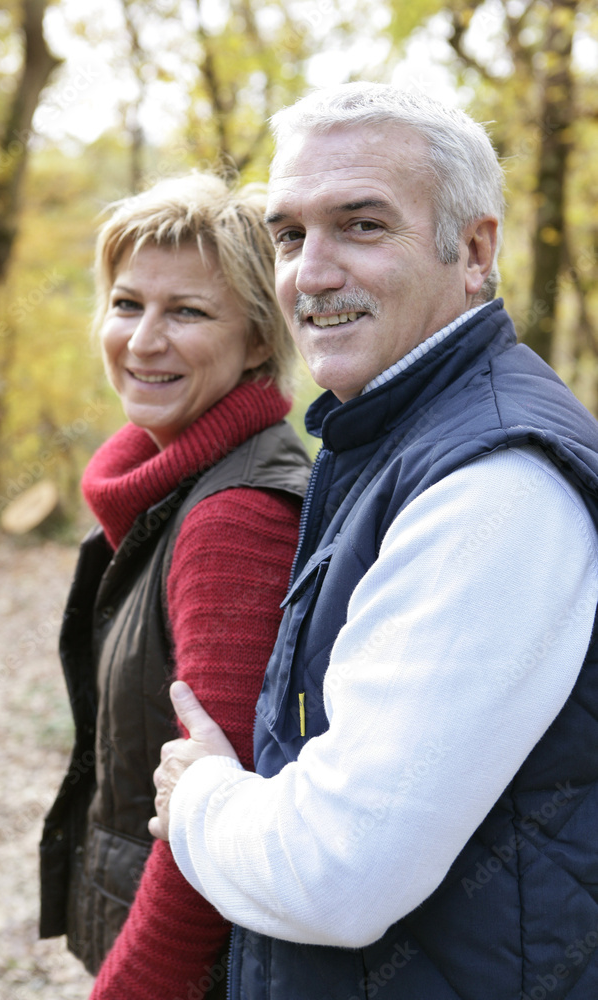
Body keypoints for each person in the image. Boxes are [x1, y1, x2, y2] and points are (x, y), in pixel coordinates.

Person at [150, 84, 598, 999]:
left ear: (473, 252)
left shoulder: (493, 486)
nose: (309, 274)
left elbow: (336, 874)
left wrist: (198, 798)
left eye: (359, 225)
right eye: (287, 235)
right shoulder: (394, 435)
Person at [38, 172, 311, 997]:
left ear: (259, 339)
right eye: (127, 304)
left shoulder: (234, 516)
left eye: (186, 312)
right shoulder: (164, 485)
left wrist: (128, 987)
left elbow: (213, 814)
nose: (144, 341)